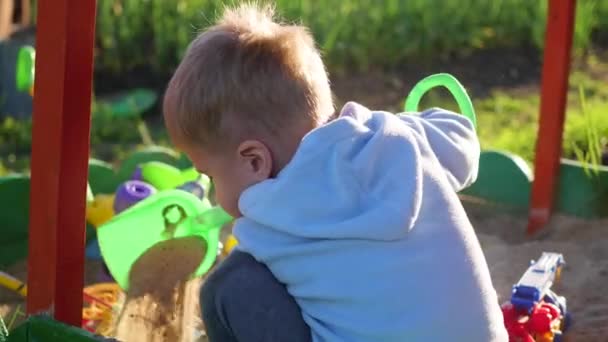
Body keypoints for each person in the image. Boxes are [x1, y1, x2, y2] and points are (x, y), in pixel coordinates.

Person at [163, 3, 508, 342]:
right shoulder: (401, 141)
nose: (214, 194)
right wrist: (394, 125)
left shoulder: (269, 220)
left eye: (210, 176)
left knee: (227, 288)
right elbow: (462, 139)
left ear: (254, 161)